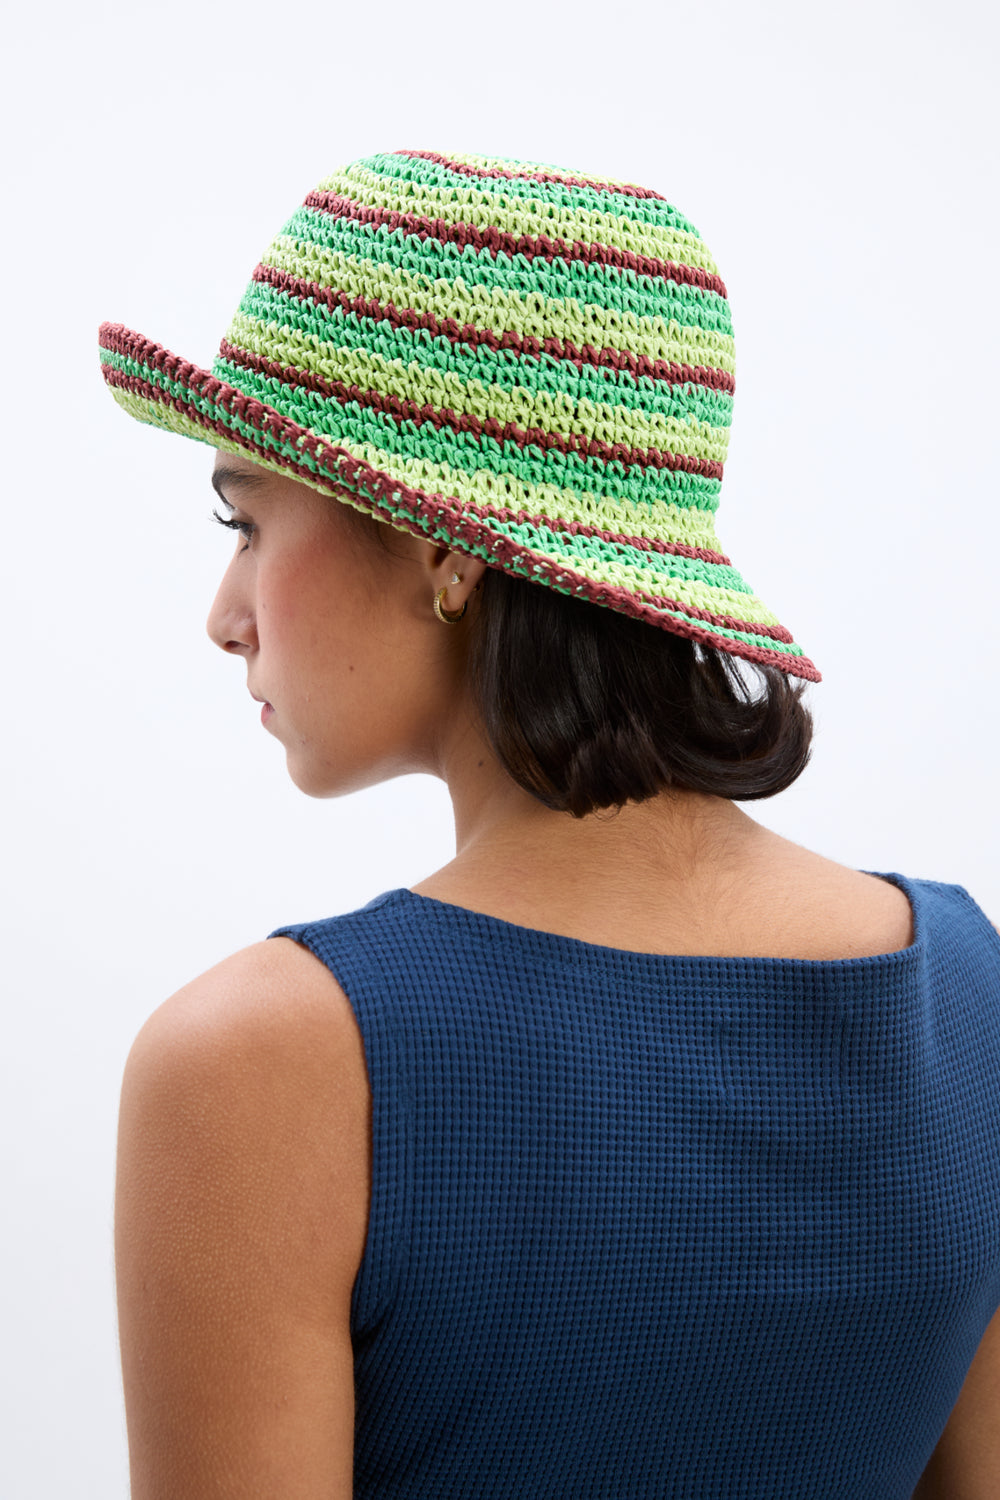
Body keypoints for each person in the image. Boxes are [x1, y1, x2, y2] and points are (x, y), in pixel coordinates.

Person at [100, 149, 1000, 1499]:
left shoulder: (260, 1066)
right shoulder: (967, 996)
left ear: (443, 548)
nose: (223, 617)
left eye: (246, 521)